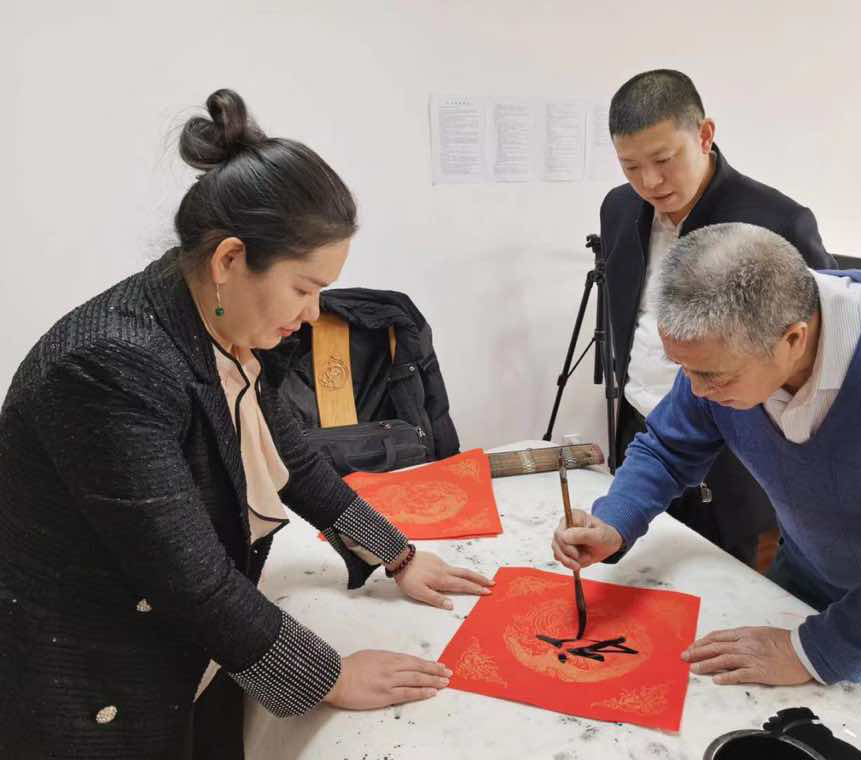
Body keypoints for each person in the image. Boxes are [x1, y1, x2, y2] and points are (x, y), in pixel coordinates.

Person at [0, 89, 492, 758]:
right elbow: (187, 576)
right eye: (303, 287)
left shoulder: (205, 318)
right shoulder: (109, 366)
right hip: (91, 678)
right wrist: (330, 675)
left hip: (182, 649)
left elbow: (294, 458)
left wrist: (396, 555)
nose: (314, 313)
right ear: (231, 259)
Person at [553, 223, 861, 729]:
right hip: (813, 569)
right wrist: (615, 520)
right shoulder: (729, 346)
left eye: (711, 377)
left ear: (792, 339)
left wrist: (817, 650)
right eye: (684, 370)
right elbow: (669, 442)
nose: (696, 390)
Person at [602, 69, 837, 566]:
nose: (649, 182)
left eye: (664, 160)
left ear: (705, 135)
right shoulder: (619, 208)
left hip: (733, 442)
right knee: (634, 565)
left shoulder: (776, 221)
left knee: (719, 571)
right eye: (630, 167)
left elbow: (823, 339)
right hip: (644, 428)